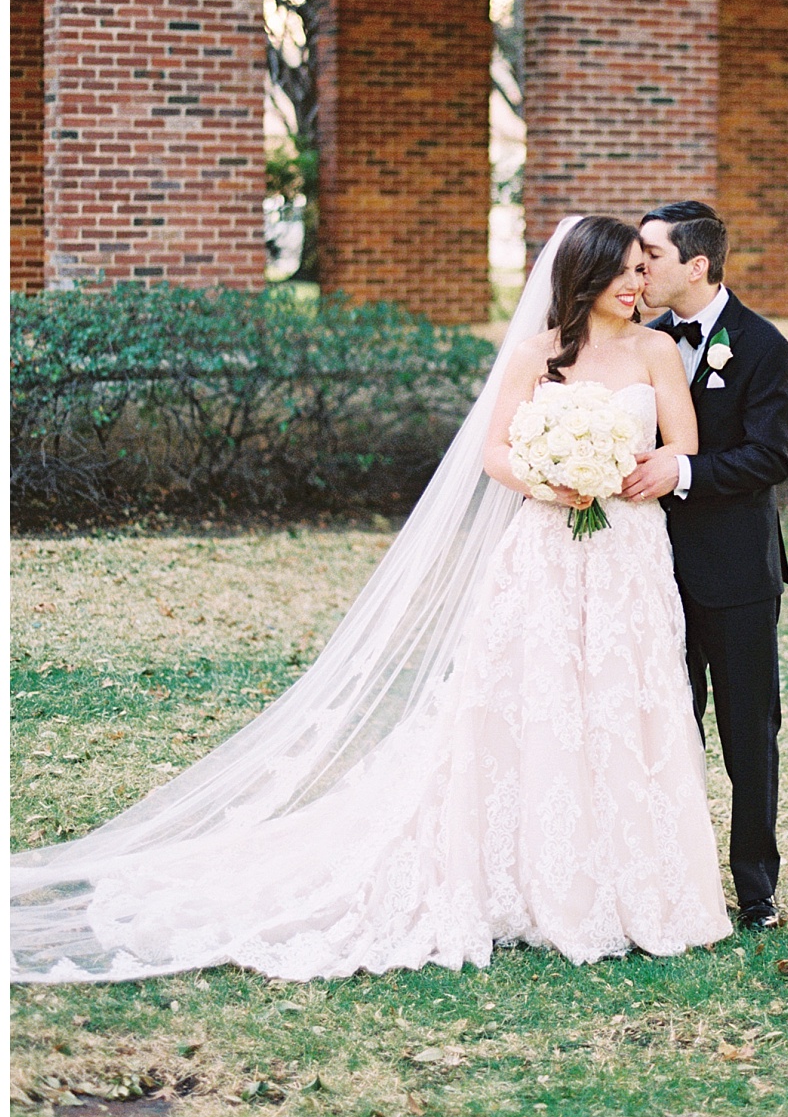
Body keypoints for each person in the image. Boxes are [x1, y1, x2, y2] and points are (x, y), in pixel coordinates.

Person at [11, 216, 731, 983]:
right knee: (541, 700)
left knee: (629, 702)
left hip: (629, 551)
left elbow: (683, 446)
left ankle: (640, 882)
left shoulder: (657, 351)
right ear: (584, 277)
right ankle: (539, 876)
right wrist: (553, 478)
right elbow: (495, 452)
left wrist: (635, 468)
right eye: (621, 271)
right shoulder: (534, 354)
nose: (636, 283)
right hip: (548, 547)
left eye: (638, 270)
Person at [626, 201, 788, 933]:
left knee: (747, 732)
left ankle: (756, 891)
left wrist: (684, 473)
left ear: (697, 266)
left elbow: (771, 457)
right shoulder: (642, 342)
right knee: (669, 729)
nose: (639, 270)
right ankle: (677, 878)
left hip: (736, 575)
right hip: (652, 572)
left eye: (652, 258)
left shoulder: (763, 347)